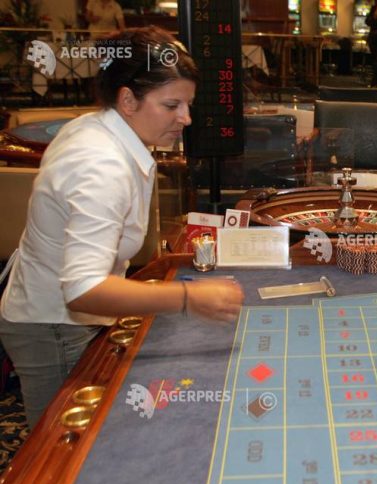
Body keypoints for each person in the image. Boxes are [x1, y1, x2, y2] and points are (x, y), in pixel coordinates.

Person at [0, 27, 245, 428]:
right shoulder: (101, 165)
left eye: (187, 104)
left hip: (56, 313)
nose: (186, 118)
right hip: (53, 325)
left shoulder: (96, 126)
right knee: (61, 449)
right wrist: (187, 297)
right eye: (171, 105)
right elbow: (83, 289)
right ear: (128, 99)